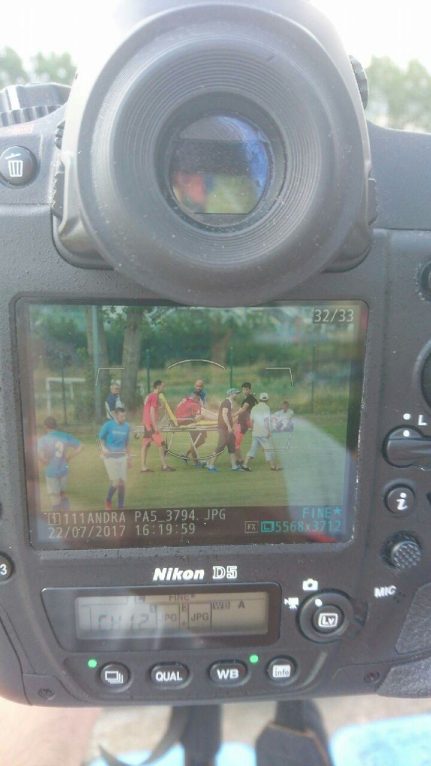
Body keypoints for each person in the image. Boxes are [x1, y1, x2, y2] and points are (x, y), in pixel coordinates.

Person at [37, 416, 83, 511]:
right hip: (63, 470)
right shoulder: (64, 435)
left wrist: (43, 460)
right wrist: (69, 456)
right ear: (56, 426)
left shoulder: (43, 439)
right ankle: (67, 515)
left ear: (45, 426)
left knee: (55, 497)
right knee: (63, 493)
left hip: (51, 471)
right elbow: (81, 446)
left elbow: (40, 455)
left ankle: (57, 518)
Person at [99, 405, 131, 510]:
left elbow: (127, 443)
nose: (124, 418)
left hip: (122, 456)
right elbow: (101, 439)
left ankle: (120, 505)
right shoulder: (108, 425)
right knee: (116, 482)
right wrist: (104, 448)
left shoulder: (127, 427)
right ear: (116, 416)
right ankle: (108, 500)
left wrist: (129, 458)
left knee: (122, 483)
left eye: (125, 416)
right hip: (110, 457)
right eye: (122, 416)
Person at [141, 380, 175, 472]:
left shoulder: (150, 395)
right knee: (161, 443)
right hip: (150, 424)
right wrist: (155, 425)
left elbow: (148, 407)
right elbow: (152, 411)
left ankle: (144, 467)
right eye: (162, 386)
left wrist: (161, 407)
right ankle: (164, 466)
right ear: (158, 386)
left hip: (147, 422)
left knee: (146, 445)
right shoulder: (155, 396)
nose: (163, 388)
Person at [242, 393, 281, 471]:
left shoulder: (254, 408)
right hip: (263, 432)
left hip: (255, 432)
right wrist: (269, 431)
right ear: (267, 400)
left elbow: (251, 420)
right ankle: (273, 466)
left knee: (252, 449)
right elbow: (267, 420)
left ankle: (245, 465)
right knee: (268, 449)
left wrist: (252, 429)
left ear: (259, 399)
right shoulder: (266, 408)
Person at [206, 388, 242, 472]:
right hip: (223, 428)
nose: (236, 395)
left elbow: (229, 416)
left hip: (228, 428)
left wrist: (237, 415)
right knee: (221, 446)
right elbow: (224, 415)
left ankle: (234, 466)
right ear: (231, 394)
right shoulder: (226, 402)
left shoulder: (229, 403)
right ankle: (210, 465)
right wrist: (229, 427)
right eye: (235, 393)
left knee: (231, 446)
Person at [175, 391, 207, 464]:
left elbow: (178, 408)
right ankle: (196, 462)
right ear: (197, 397)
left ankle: (187, 455)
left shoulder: (186, 400)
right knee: (197, 441)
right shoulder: (192, 403)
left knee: (199, 440)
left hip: (182, 420)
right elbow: (200, 413)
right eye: (198, 398)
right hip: (187, 421)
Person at [234, 382, 258, 466]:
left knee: (235, 443)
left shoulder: (249, 399)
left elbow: (243, 409)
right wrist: (234, 419)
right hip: (242, 422)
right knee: (235, 443)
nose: (245, 391)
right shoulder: (250, 398)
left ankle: (240, 460)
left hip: (243, 424)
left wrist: (233, 415)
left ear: (250, 390)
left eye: (246, 389)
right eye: (243, 389)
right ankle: (239, 459)